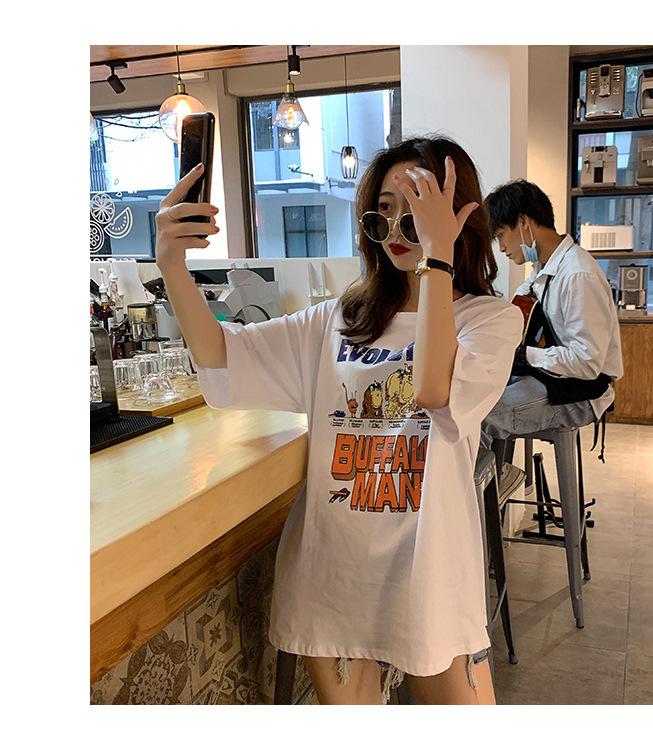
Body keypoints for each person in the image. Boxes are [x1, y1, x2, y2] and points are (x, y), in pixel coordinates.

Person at [155, 137, 523, 705]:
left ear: (457, 218)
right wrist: (172, 267)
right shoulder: (336, 321)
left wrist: (437, 260)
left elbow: (434, 389)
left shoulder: (489, 321)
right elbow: (221, 356)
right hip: (335, 572)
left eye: (415, 213)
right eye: (383, 213)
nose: (396, 230)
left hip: (430, 572)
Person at [481, 179, 623, 459]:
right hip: (555, 377)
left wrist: (526, 355)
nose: (502, 248)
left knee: (481, 416)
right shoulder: (543, 268)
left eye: (501, 235)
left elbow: (587, 362)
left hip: (583, 391)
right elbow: (517, 309)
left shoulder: (577, 275)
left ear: (523, 222)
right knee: (477, 396)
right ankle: (497, 480)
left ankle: (488, 487)